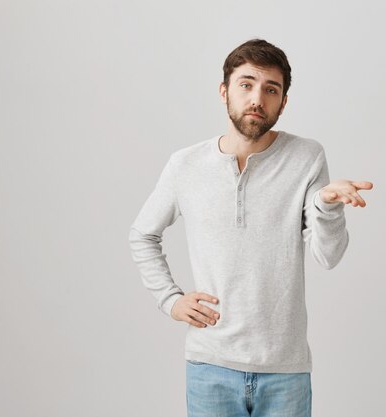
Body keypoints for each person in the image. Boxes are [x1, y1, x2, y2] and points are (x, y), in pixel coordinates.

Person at [128, 38, 373, 417]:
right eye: (246, 84)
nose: (257, 98)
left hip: (285, 371)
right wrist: (171, 300)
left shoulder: (306, 157)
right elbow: (143, 234)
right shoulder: (186, 165)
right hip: (210, 366)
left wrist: (326, 206)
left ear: (283, 102)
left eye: (270, 89)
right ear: (225, 91)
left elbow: (329, 255)